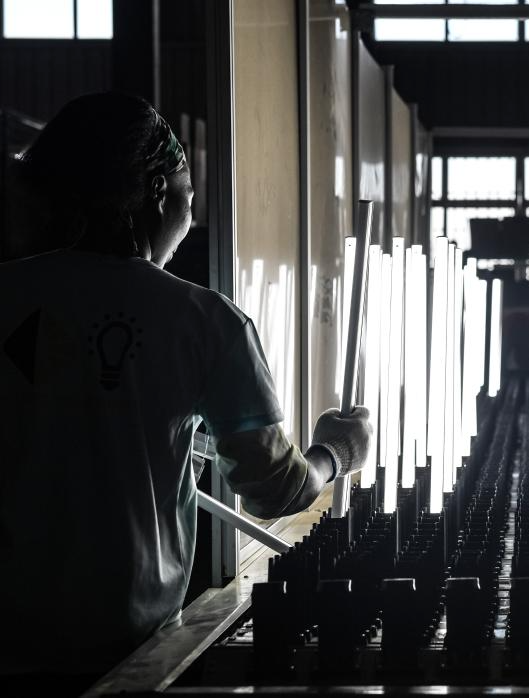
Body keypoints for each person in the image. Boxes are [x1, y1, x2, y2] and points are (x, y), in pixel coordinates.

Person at [0, 92, 372, 691]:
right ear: (154, 194)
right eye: (188, 196)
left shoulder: (10, 292)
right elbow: (276, 489)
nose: (191, 217)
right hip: (128, 655)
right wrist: (339, 451)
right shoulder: (201, 322)